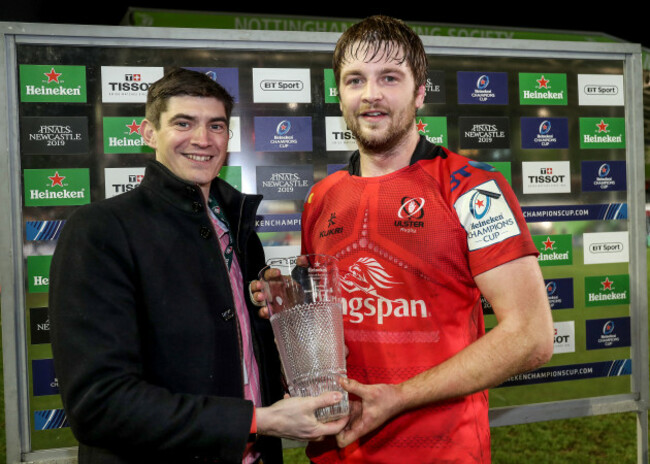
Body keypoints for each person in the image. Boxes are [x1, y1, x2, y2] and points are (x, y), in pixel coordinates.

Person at [267, 15, 554, 463]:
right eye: (355, 79)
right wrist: (283, 309)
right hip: (336, 452)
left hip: (442, 451)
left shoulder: (471, 186)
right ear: (339, 94)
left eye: (390, 78)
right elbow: (323, 323)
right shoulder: (320, 198)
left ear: (420, 92)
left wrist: (398, 396)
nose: (371, 94)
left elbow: (531, 336)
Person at [48, 67, 346, 464]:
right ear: (148, 132)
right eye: (183, 123)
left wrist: (279, 326)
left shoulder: (238, 226)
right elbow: (98, 405)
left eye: (216, 125)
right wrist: (258, 421)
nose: (203, 140)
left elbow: (234, 358)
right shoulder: (100, 230)